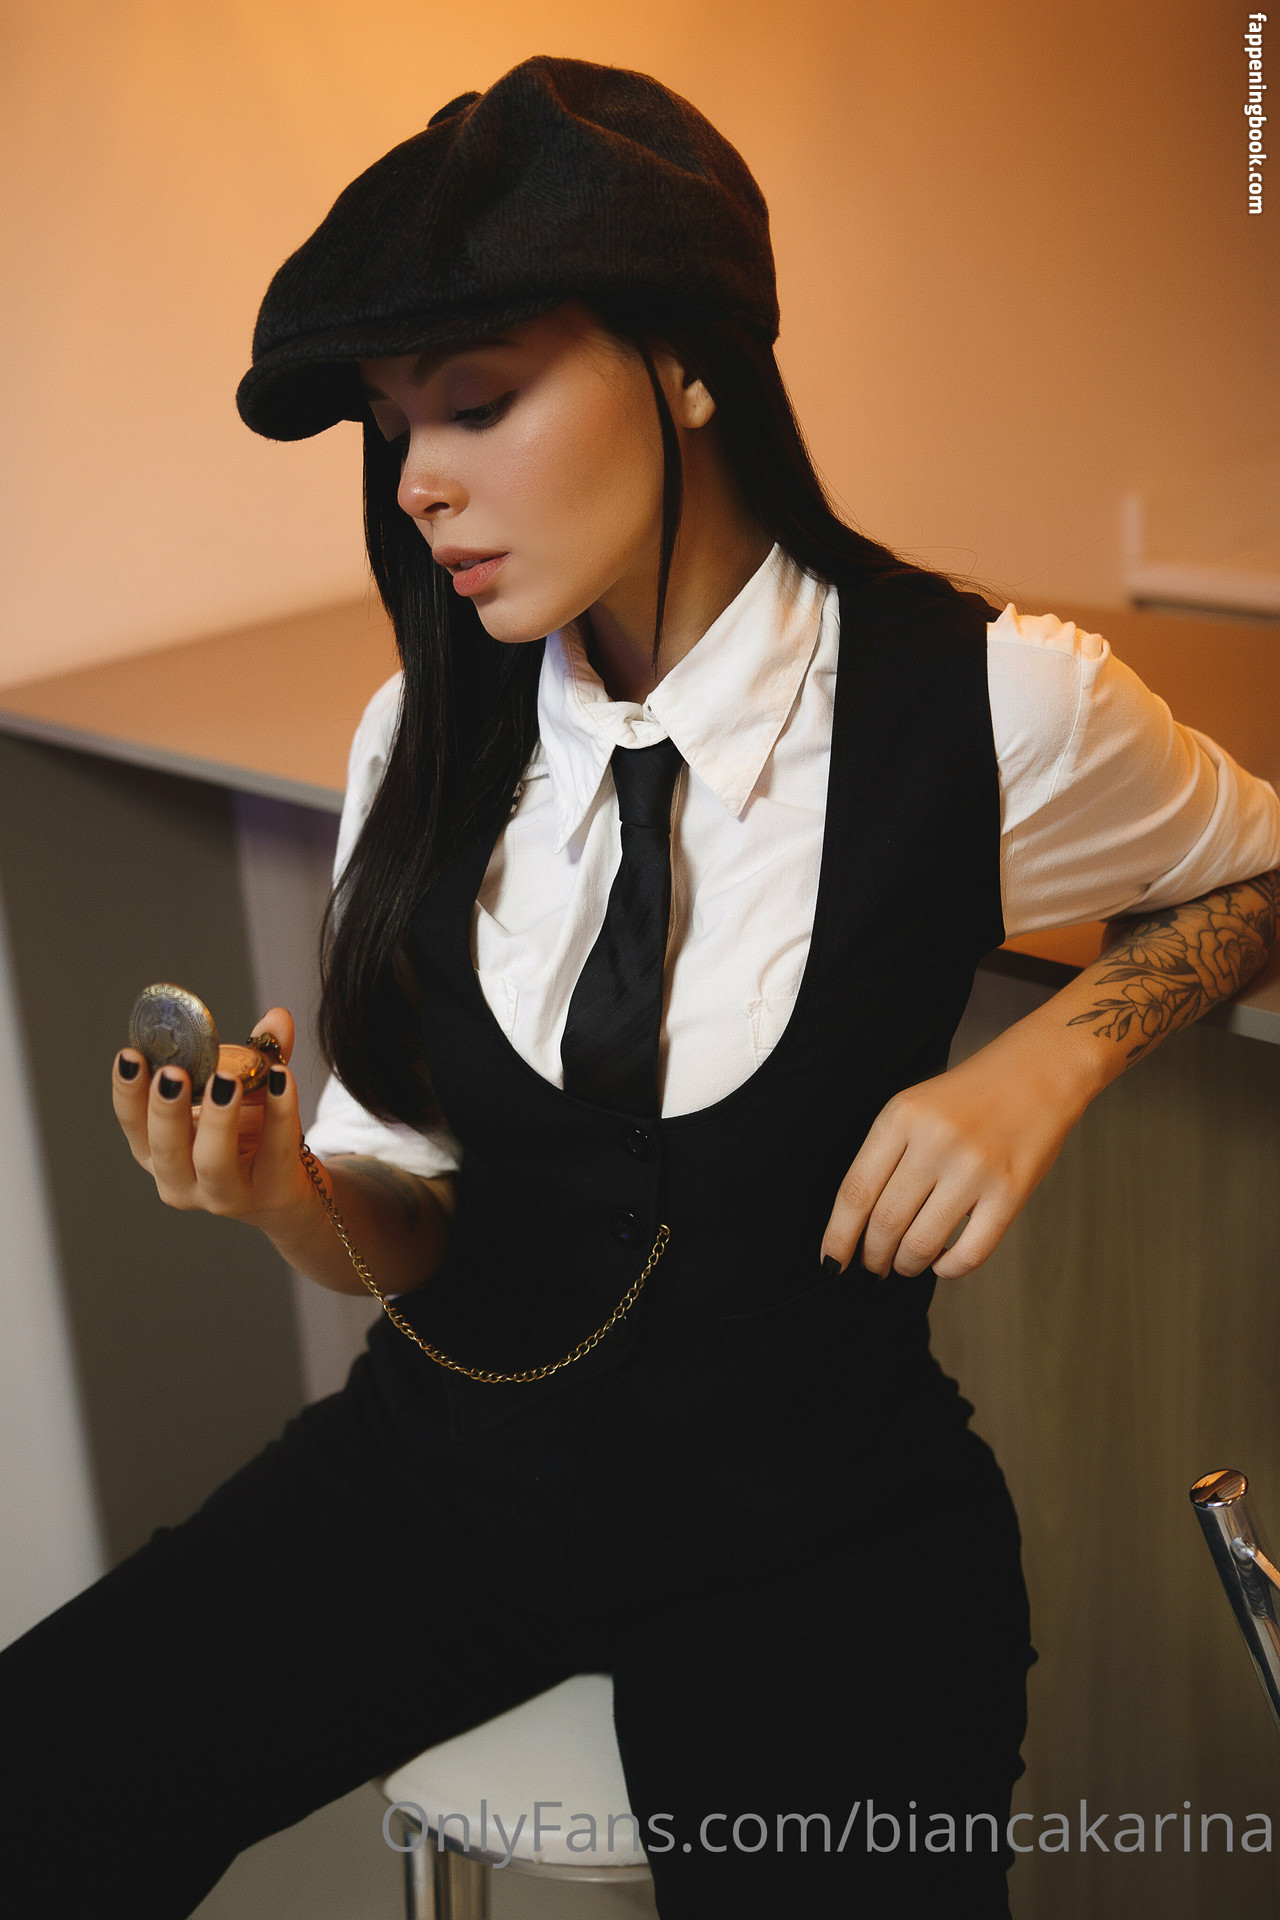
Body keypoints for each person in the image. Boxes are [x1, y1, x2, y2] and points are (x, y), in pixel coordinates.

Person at [4, 54, 1280, 1920]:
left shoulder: (988, 699)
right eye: (391, 427)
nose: (420, 482)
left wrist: (1043, 1064)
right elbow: (413, 1239)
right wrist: (288, 1196)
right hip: (441, 1478)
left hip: (815, 1538)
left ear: (687, 365)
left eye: (479, 402)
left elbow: (1258, 869)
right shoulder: (422, 730)